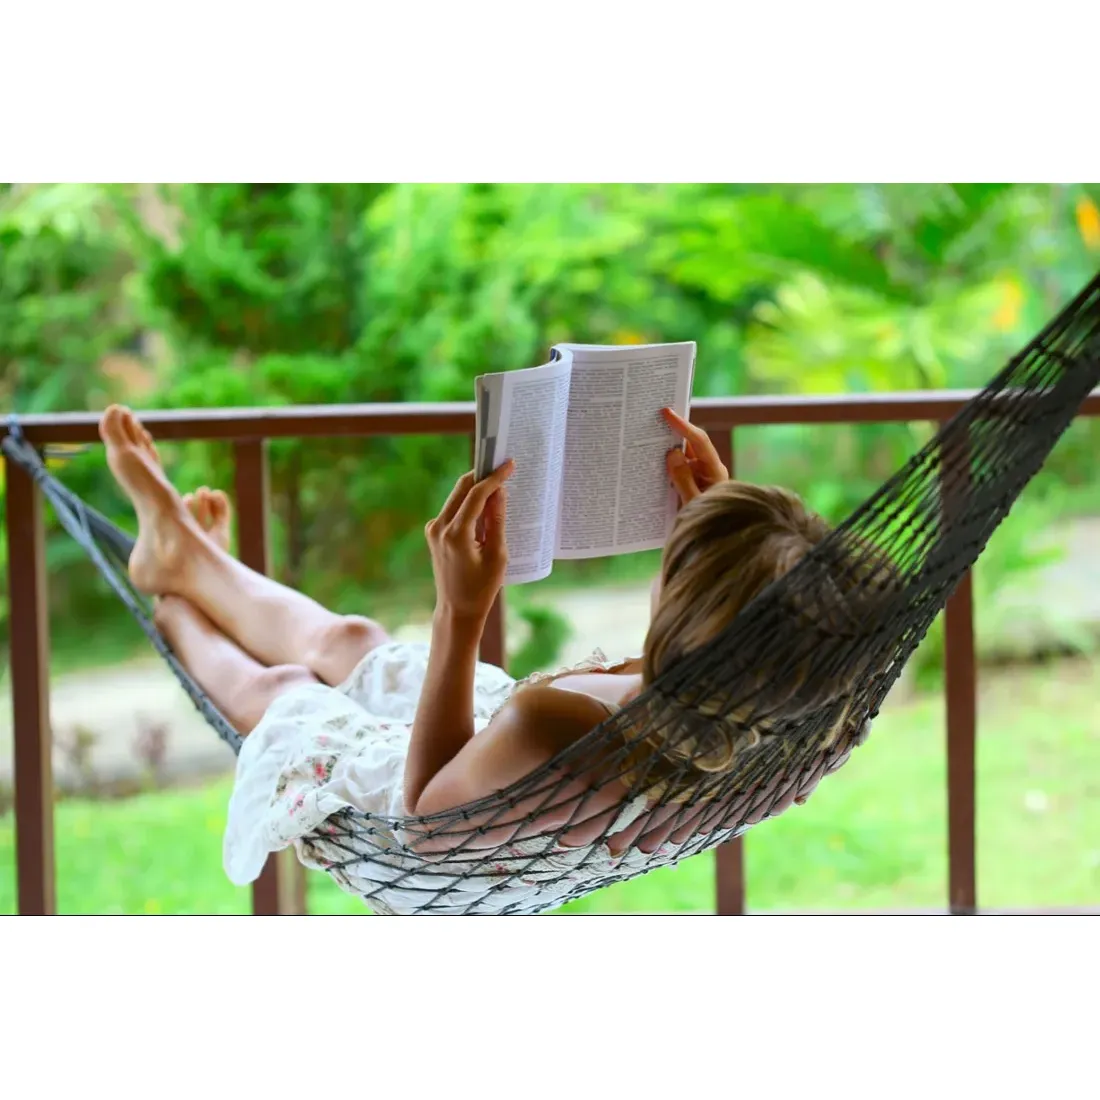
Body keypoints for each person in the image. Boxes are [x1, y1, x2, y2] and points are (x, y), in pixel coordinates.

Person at [98, 403, 853, 914]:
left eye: (679, 559)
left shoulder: (552, 721)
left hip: (409, 817)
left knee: (291, 690)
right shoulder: (769, 698)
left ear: (691, 615)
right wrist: (728, 545)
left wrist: (460, 612)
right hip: (492, 764)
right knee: (353, 641)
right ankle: (188, 559)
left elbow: (424, 818)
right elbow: (746, 631)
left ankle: (175, 604)